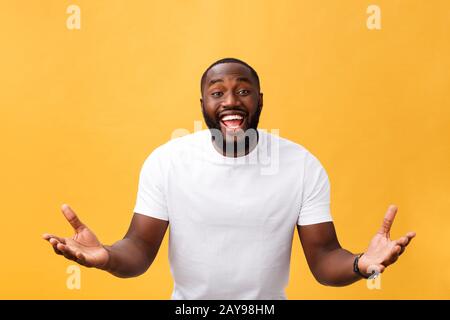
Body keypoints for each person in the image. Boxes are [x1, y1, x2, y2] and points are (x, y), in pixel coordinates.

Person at [43, 58, 416, 299]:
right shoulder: (167, 161)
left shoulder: (302, 165)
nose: (230, 101)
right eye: (217, 92)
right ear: (203, 105)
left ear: (259, 100)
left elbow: (324, 260)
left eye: (243, 90)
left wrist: (361, 264)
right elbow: (139, 250)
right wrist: (105, 256)